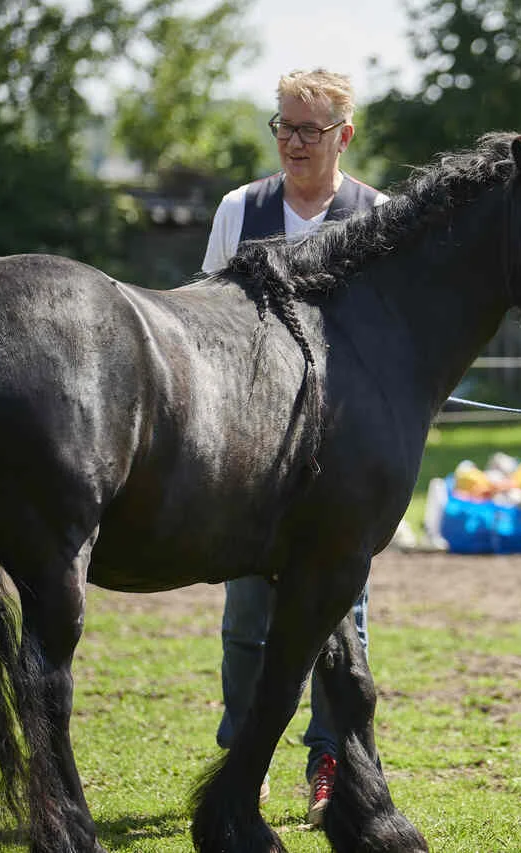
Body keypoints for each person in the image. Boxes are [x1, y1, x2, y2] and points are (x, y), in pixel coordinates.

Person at [201, 67, 387, 827]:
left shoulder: (377, 216)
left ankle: (330, 765)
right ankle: (241, 761)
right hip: (255, 451)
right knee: (247, 617)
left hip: (341, 458)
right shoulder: (239, 208)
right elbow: (209, 321)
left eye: (310, 128)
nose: (293, 141)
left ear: (345, 134)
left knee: (344, 622)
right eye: (283, 125)